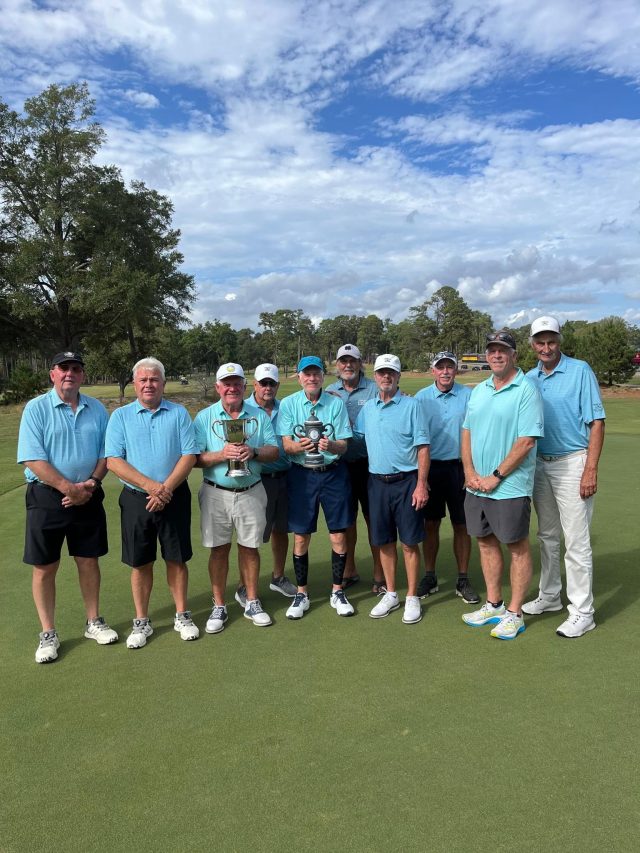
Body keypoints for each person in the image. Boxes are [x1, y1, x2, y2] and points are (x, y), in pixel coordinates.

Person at [18, 351, 118, 663]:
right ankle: (48, 633)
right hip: (47, 497)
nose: (69, 374)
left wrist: (91, 483)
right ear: (52, 374)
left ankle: (93, 621)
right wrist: (68, 488)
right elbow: (33, 458)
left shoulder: (97, 408)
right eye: (63, 368)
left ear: (82, 376)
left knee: (88, 561)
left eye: (75, 369)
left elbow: (107, 453)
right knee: (45, 566)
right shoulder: (36, 409)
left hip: (88, 493)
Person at [105, 357, 199, 649]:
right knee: (140, 561)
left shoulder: (179, 413)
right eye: (143, 380)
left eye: (154, 379)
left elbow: (189, 455)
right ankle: (141, 621)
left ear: (163, 382)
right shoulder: (120, 416)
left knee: (176, 558)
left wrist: (165, 489)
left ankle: (182, 615)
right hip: (136, 500)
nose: (149, 384)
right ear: (135, 384)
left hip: (174, 497)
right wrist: (152, 488)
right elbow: (113, 460)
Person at [522, 316, 605, 638]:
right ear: (532, 344)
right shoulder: (529, 378)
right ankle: (550, 595)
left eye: (551, 341)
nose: (546, 347)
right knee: (547, 536)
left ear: (559, 341)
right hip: (541, 463)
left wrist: (591, 469)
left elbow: (596, 422)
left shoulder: (580, 370)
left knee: (577, 541)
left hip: (573, 462)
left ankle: (583, 611)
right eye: (540, 342)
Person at [461, 331, 544, 640]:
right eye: (492, 350)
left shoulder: (526, 389)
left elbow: (526, 442)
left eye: (502, 350)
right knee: (484, 542)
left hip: (509, 486)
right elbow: (467, 431)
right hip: (475, 485)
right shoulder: (479, 389)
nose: (496, 355)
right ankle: (494, 603)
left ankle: (515, 613)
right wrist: (469, 471)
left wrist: (495, 476)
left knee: (517, 547)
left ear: (514, 355)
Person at [194, 363, 279, 634]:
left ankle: (252, 600)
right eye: (226, 383)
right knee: (218, 549)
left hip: (251, 490)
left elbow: (274, 451)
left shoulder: (258, 416)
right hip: (215, 492)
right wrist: (223, 454)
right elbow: (195, 458)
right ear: (218, 387)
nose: (231, 388)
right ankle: (219, 604)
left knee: (250, 548)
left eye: (236, 383)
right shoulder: (205, 417)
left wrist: (252, 452)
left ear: (244, 386)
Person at [277, 355, 355, 619]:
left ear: (323, 375)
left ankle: (337, 591)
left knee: (338, 535)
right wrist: (299, 447)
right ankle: (302, 593)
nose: (312, 378)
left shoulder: (335, 403)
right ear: (299, 377)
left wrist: (329, 445)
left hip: (333, 474)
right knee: (300, 536)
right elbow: (285, 444)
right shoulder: (288, 404)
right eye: (306, 374)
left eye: (316, 373)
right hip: (301, 475)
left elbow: (344, 443)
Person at [354, 354, 430, 624]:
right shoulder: (369, 409)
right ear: (375, 377)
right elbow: (356, 437)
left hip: (407, 482)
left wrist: (422, 484)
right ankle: (391, 592)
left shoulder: (412, 406)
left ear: (399, 376)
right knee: (384, 541)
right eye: (381, 373)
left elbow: (423, 447)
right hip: (376, 483)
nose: (386, 377)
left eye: (391, 373)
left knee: (409, 543)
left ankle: (411, 596)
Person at [415, 352, 480, 604]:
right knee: (430, 524)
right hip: (430, 469)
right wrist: (420, 476)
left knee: (461, 525)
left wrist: (471, 469)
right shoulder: (420, 398)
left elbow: (477, 432)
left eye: (449, 368)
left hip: (460, 469)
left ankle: (463, 578)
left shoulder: (468, 396)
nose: (445, 372)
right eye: (440, 367)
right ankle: (430, 576)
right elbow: (416, 438)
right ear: (433, 371)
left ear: (456, 371)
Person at [325, 344, 385, 594]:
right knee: (346, 521)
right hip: (339, 466)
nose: (347, 365)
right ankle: (349, 570)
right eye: (343, 361)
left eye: (352, 361)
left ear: (361, 363)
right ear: (337, 365)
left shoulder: (373, 388)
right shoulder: (329, 391)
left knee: (374, 520)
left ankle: (380, 574)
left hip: (369, 464)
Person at [238, 363, 297, 603]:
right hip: (255, 479)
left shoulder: (286, 408)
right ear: (254, 385)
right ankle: (243, 585)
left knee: (281, 530)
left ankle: (278, 577)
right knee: (249, 535)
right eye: (263, 383)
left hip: (284, 476)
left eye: (272, 383)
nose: (268, 388)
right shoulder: (244, 409)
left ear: (278, 385)